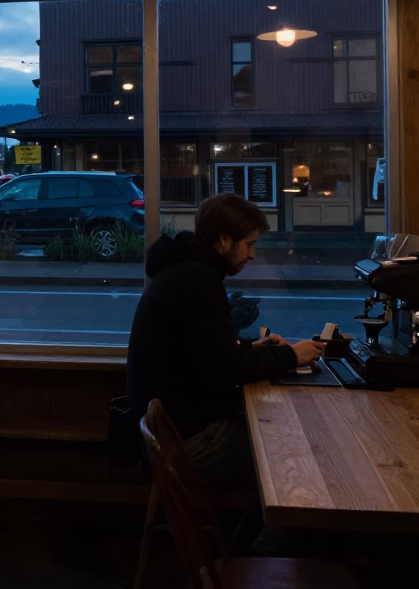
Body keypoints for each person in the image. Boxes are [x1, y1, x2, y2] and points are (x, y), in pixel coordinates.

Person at [127, 194, 324, 486]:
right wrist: (292, 356)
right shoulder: (197, 280)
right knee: (293, 453)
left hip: (173, 433)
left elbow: (203, 352)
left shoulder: (186, 272)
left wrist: (249, 348)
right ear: (224, 240)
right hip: (185, 444)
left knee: (281, 440)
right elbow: (225, 370)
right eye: (249, 244)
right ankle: (271, 532)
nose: (252, 254)